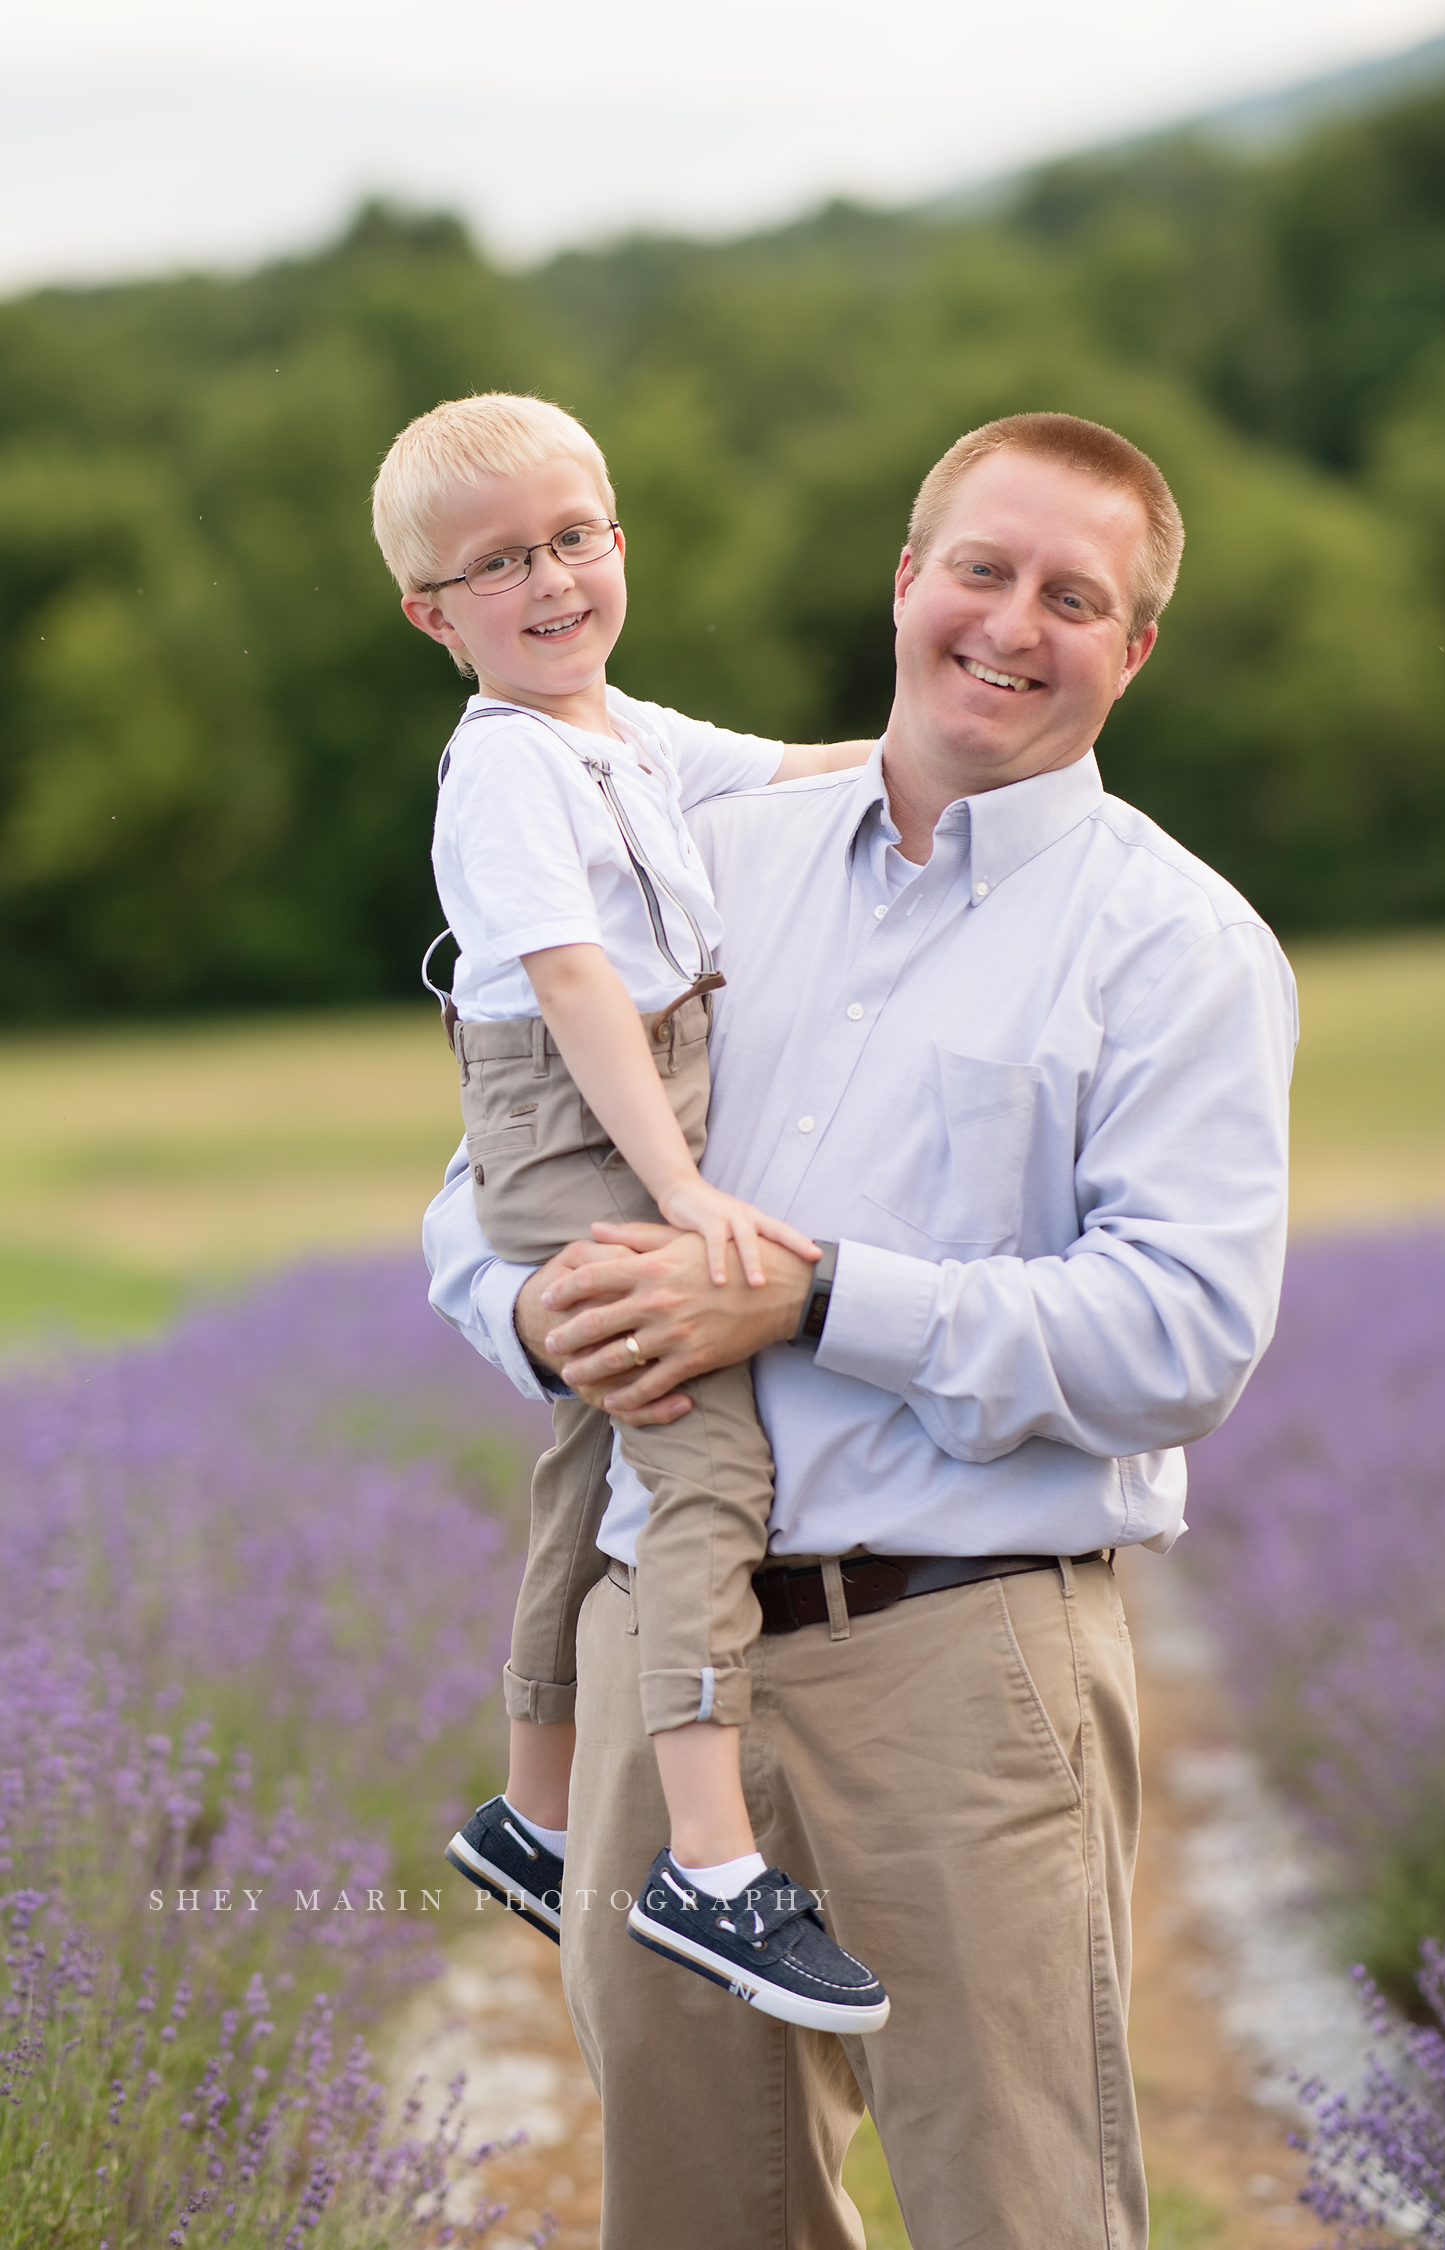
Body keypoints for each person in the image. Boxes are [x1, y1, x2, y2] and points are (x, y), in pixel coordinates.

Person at [425, 410, 1298, 2248]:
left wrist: (819, 1294)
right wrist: (525, 1299)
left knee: (1020, 2211)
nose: (1013, 620)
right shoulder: (707, 846)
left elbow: (1184, 1331)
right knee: (696, 2216)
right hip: (664, 1638)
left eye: (1077, 596)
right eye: (981, 567)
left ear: (1132, 651)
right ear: (907, 581)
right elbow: (493, 1158)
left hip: (966, 1670)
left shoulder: (1177, 943)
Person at [372, 392, 889, 2033]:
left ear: (618, 538)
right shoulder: (509, 765)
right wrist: (677, 1187)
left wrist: (958, 750)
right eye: (497, 564)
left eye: (572, 538)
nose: (548, 580)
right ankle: (712, 1864)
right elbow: (578, 982)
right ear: (430, 612)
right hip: (589, 1112)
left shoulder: (618, 728)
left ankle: (534, 1812)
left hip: (614, 1100)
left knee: (594, 1446)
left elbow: (809, 766)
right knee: (705, 1458)